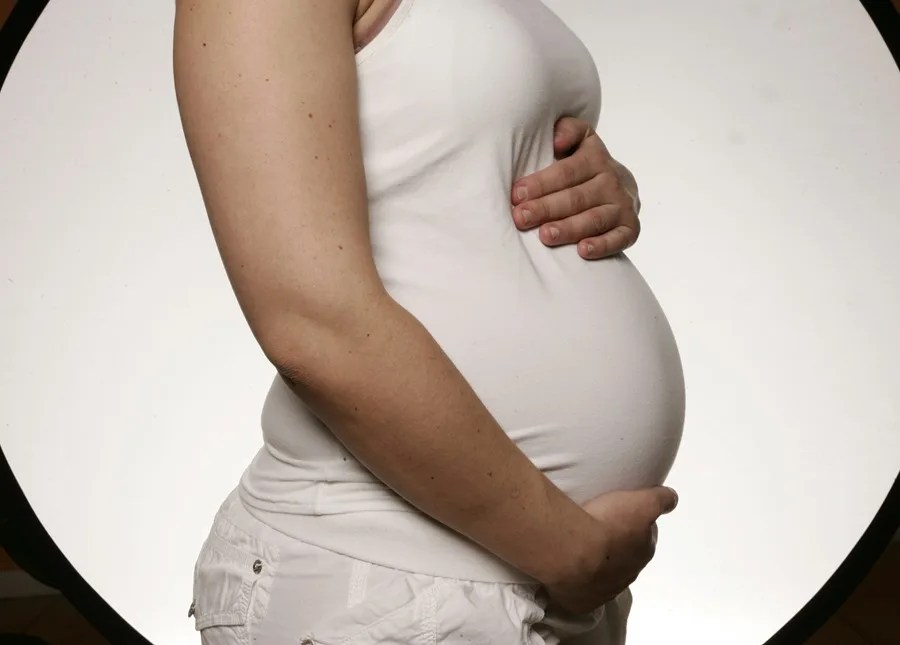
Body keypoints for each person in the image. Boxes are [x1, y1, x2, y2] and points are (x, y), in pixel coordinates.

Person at [173, 0, 685, 643]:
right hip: (382, 583)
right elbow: (310, 321)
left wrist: (604, 187)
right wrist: (570, 553)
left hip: (538, 578)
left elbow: (451, 163)